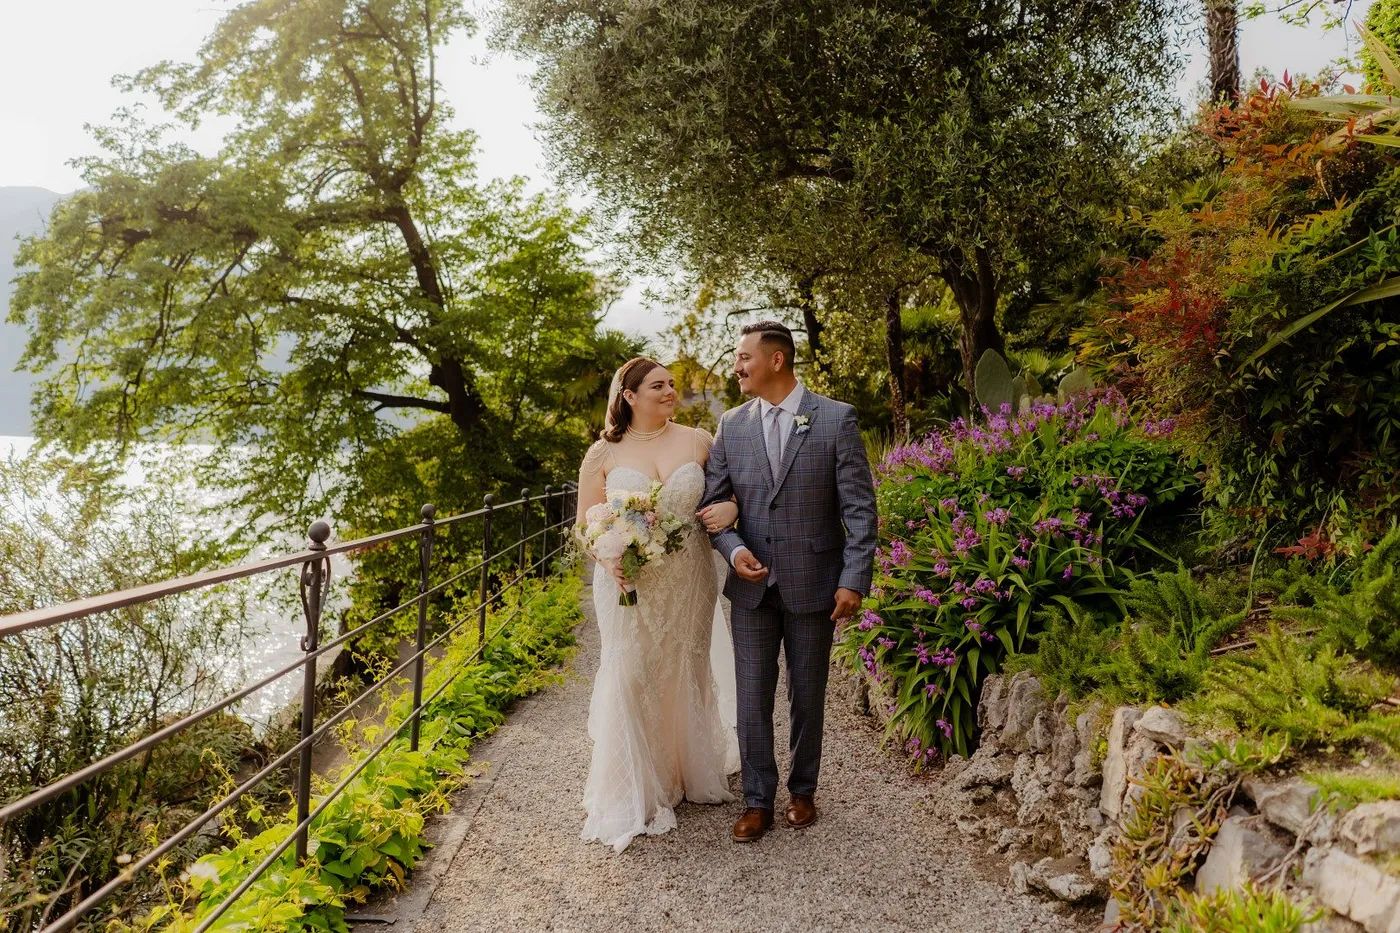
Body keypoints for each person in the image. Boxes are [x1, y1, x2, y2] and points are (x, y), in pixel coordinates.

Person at [699, 320, 877, 843]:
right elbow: (712, 505)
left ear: (776, 360)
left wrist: (853, 579)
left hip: (815, 581)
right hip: (752, 589)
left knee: (808, 692)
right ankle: (758, 800)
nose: (737, 366)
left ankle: (803, 791)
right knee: (751, 697)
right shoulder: (731, 425)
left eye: (743, 357)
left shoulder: (836, 419)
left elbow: (860, 510)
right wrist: (733, 553)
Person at [573, 355, 741, 853]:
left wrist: (730, 506)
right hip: (628, 581)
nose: (671, 392)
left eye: (672, 384)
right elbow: (584, 523)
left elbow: (731, 494)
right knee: (630, 671)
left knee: (681, 666)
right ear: (629, 396)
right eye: (658, 386)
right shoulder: (602, 453)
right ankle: (634, 785)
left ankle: (681, 771)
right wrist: (606, 559)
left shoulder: (698, 440)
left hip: (689, 576)